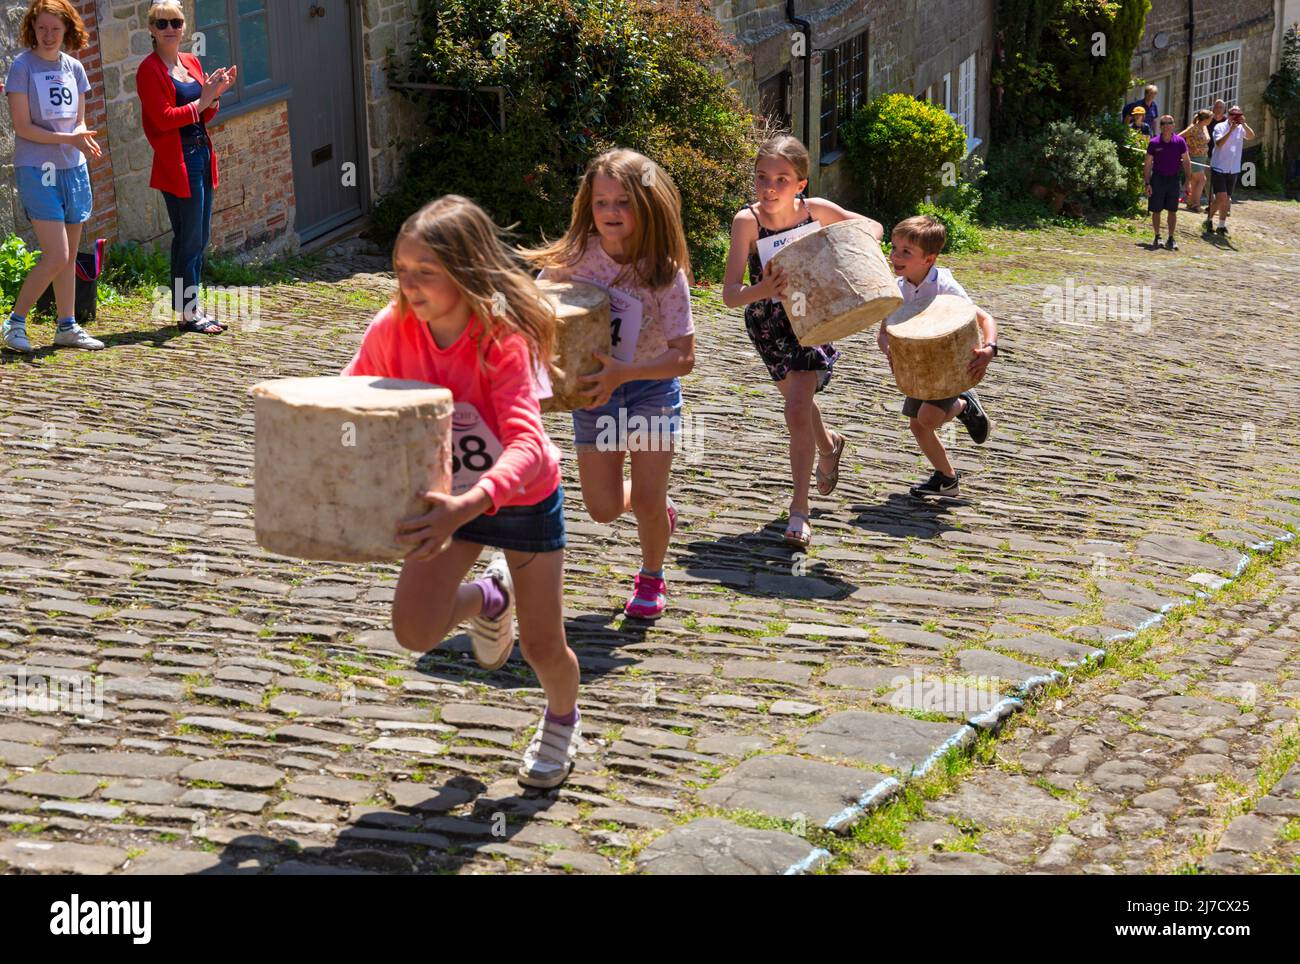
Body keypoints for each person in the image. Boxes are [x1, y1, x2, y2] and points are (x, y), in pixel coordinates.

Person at [342, 195, 583, 789]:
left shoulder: (501, 339)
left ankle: (562, 721)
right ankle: (488, 598)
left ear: (467, 273)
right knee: (414, 631)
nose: (410, 286)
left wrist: (472, 504)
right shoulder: (391, 327)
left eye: (426, 274)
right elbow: (348, 400)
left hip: (521, 500)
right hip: (442, 500)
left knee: (543, 647)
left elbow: (527, 446)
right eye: (401, 271)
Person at [527, 149, 695, 620]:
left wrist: (626, 373)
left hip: (649, 390)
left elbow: (684, 358)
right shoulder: (575, 260)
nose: (611, 213)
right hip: (594, 393)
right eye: (602, 203)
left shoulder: (664, 272)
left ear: (646, 205)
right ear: (588, 205)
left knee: (645, 496)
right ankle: (657, 507)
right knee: (601, 508)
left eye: (623, 202)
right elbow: (539, 314)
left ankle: (651, 575)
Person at [722, 135, 884, 549]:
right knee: (800, 406)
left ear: (801, 183)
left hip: (814, 317)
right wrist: (765, 288)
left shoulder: (817, 211)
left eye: (781, 179)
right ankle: (829, 445)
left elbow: (872, 229)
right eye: (762, 178)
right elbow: (731, 294)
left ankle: (800, 510)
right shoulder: (747, 221)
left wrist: (841, 260)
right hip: (768, 325)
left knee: (795, 409)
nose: (769, 187)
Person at [2, 0, 104, 354]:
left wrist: (81, 138)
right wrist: (69, 138)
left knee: (70, 253)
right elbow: (23, 127)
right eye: (42, 28)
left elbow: (79, 119)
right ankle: (14, 321)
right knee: (56, 254)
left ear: (67, 30)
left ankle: (67, 325)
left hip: (73, 167)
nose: (48, 36)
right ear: (33, 28)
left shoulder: (74, 68)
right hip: (37, 168)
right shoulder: (22, 67)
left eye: (55, 29)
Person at [879, 215, 998, 499]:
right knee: (918, 426)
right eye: (894, 248)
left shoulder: (944, 285)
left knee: (928, 418)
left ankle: (964, 406)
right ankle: (947, 478)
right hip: (919, 368)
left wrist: (990, 348)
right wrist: (890, 350)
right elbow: (884, 333)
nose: (895, 256)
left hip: (950, 364)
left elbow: (984, 318)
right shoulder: (896, 290)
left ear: (929, 259)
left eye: (906, 252)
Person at [136, 1, 235, 334]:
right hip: (177, 161)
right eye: (161, 23)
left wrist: (216, 95)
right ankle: (188, 313)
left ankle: (189, 308)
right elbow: (163, 120)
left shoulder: (191, 61)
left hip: (202, 154)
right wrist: (202, 101)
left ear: (184, 25)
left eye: (175, 22)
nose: (170, 29)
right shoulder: (148, 71)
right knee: (189, 237)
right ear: (151, 29)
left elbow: (205, 114)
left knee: (200, 236)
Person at [1145, 115, 1192, 250]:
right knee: (1156, 210)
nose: (1166, 125)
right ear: (1160, 126)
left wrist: (1188, 180)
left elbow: (1187, 161)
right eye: (1163, 123)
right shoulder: (1154, 142)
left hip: (1173, 179)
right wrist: (1147, 183)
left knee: (1172, 210)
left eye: (1169, 123)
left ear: (1173, 125)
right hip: (1158, 179)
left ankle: (1171, 238)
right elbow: (1148, 164)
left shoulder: (1180, 142)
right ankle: (1157, 236)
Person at [1206, 105, 1254, 236]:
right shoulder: (1220, 127)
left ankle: (1221, 225)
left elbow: (1251, 136)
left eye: (1238, 115)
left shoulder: (1240, 128)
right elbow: (1219, 143)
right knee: (1221, 197)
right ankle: (1209, 219)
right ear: (1229, 115)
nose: (1236, 118)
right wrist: (1230, 131)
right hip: (1219, 166)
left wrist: (1244, 124)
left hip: (1233, 168)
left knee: (1226, 199)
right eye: (1233, 114)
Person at [1178, 109, 1212, 212]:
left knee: (1195, 181)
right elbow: (1179, 137)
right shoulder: (1193, 128)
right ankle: (1196, 204)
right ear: (1205, 119)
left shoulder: (1204, 127)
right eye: (1210, 118)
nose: (1211, 120)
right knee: (1202, 180)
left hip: (1202, 158)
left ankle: (1191, 202)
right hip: (1194, 157)